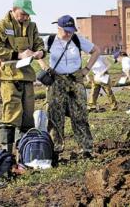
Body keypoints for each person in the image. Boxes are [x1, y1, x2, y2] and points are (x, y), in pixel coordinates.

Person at [0, 0, 45, 154]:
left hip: (27, 76)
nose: (25, 17)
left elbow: (38, 43)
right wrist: (18, 55)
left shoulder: (32, 26)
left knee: (28, 115)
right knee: (11, 114)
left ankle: (24, 152)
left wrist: (40, 51)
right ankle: (6, 154)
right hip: (9, 77)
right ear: (13, 10)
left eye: (28, 15)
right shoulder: (1, 26)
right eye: (22, 14)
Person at [40, 15, 101, 157]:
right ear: (58, 28)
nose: (68, 33)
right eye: (66, 30)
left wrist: (86, 69)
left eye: (71, 30)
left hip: (75, 80)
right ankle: (55, 149)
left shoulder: (77, 40)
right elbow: (37, 54)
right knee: (55, 115)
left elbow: (96, 50)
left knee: (80, 114)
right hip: (56, 81)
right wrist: (44, 65)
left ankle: (85, 148)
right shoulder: (49, 41)